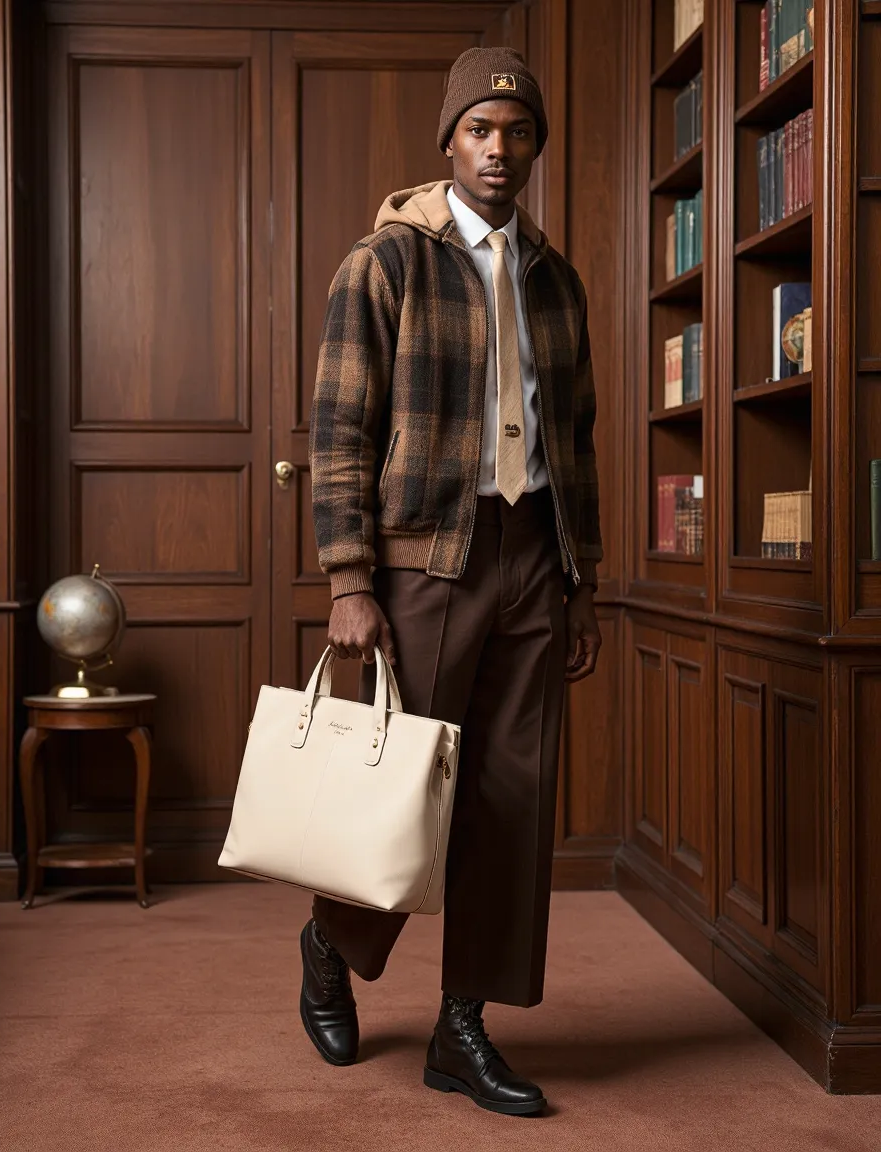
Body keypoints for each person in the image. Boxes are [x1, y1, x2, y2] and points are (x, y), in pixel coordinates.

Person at [304, 45, 603, 1116]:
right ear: (448, 142)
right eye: (480, 129)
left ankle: (461, 1025)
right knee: (396, 795)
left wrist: (581, 579)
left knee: (510, 802)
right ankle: (329, 945)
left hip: (531, 556)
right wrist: (349, 578)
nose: (498, 149)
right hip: (423, 555)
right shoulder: (384, 262)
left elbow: (575, 436)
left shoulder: (555, 280)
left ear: (532, 150)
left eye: (517, 133)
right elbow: (339, 427)